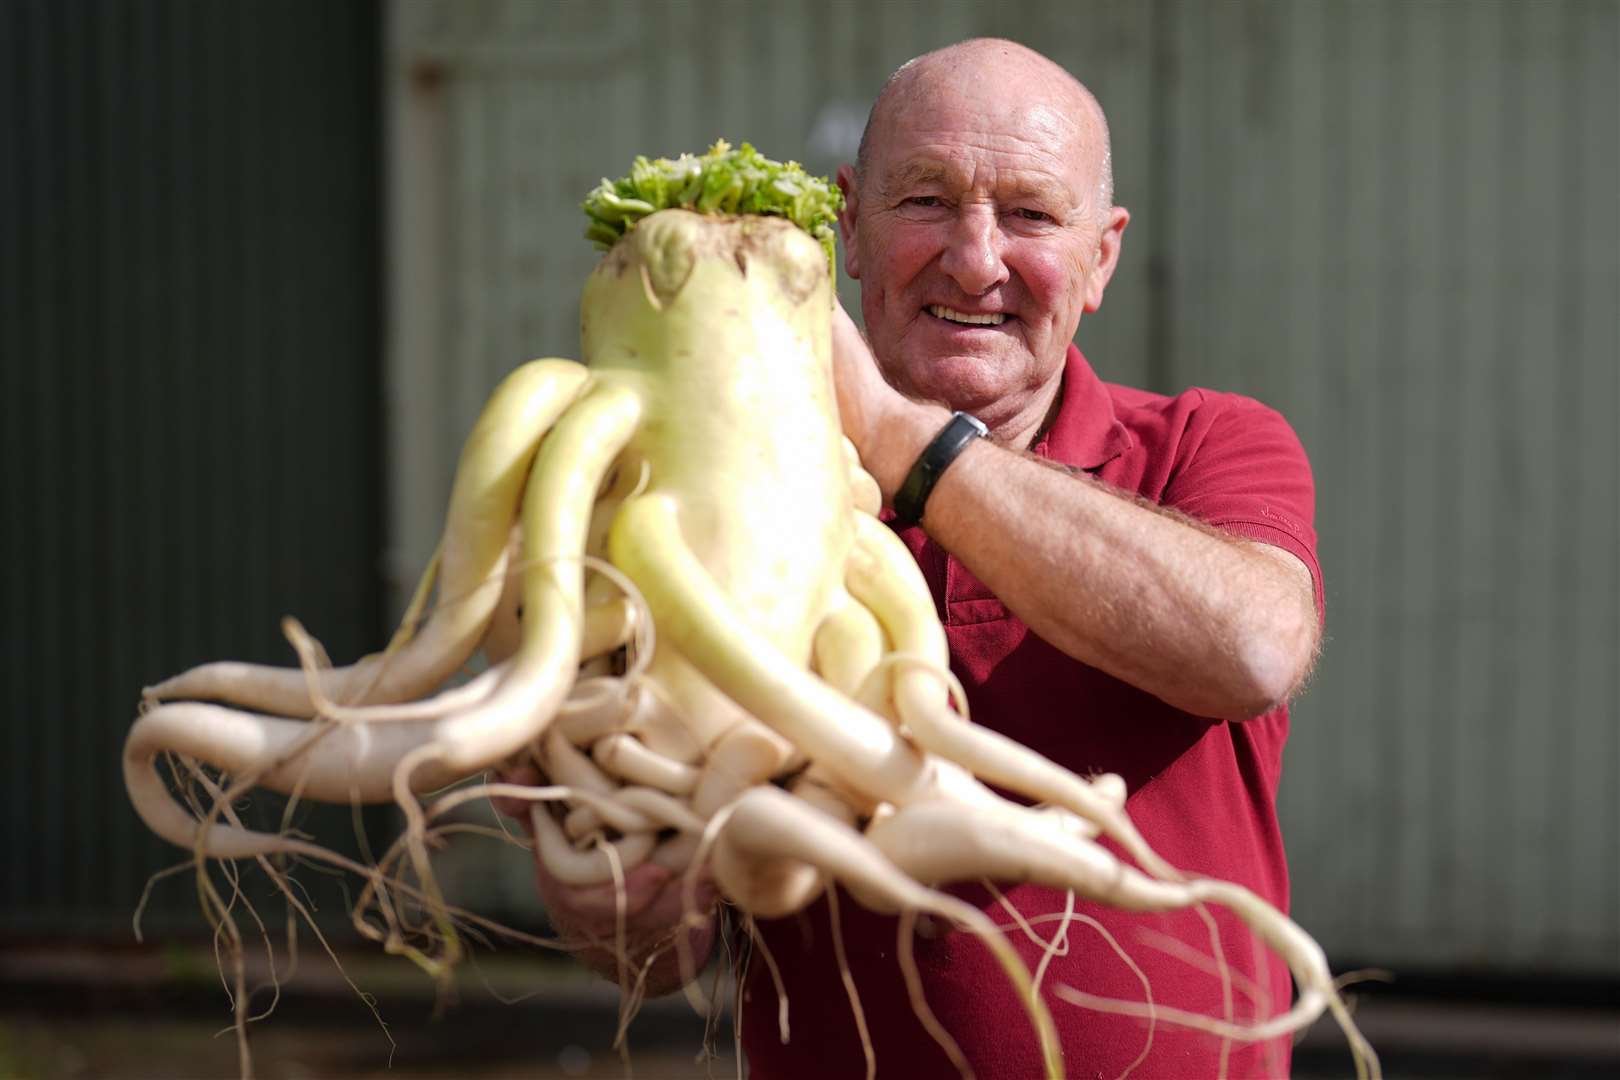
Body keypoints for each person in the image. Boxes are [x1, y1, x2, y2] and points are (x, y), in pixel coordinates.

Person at [519, 38, 1323, 1079]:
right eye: (927, 202)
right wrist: (610, 894)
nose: (976, 258)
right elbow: (661, 954)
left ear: (1102, 257)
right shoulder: (705, 524)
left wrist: (901, 440)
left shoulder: (1206, 444)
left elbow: (1252, 648)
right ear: (847, 226)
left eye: (1031, 214)